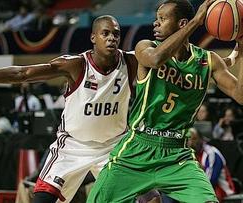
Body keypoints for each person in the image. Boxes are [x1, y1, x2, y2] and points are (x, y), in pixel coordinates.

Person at [0, 15, 161, 203]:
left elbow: (164, 54)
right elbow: (23, 73)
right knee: (41, 199)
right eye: (106, 33)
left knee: (151, 197)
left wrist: (190, 25)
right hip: (73, 146)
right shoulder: (75, 65)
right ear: (93, 37)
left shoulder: (131, 61)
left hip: (114, 146)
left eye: (116, 34)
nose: (111, 38)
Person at [87, 0, 243, 202]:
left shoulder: (208, 60)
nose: (155, 23)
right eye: (156, 19)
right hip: (136, 149)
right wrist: (196, 22)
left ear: (181, 23)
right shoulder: (146, 47)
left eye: (162, 18)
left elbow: (240, 95)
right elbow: (155, 60)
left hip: (177, 154)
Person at [188, 127, 235, 202]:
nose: (191, 142)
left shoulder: (211, 153)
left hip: (221, 190)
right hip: (201, 190)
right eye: (188, 139)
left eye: (194, 139)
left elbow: (210, 181)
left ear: (201, 139)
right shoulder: (189, 154)